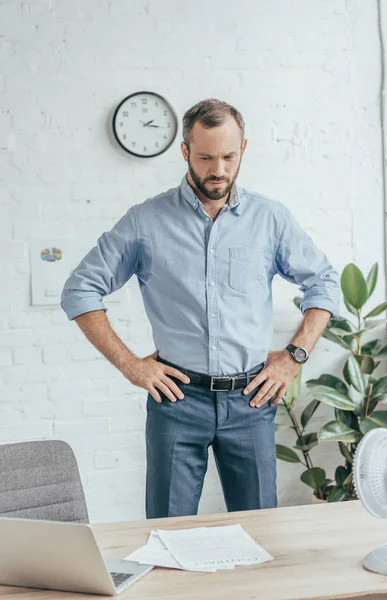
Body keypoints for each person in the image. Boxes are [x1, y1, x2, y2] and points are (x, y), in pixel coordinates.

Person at [61, 98, 340, 519]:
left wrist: (294, 356)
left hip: (251, 401)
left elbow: (324, 281)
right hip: (177, 401)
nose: (219, 170)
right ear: (185, 151)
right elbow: (80, 290)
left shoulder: (270, 219)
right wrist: (130, 365)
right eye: (206, 157)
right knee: (167, 536)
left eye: (229, 156)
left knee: (261, 532)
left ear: (243, 149)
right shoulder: (145, 221)